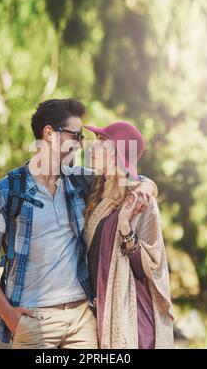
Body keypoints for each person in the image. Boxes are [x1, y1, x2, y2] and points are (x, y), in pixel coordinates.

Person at [0, 99, 158, 349]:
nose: (81, 144)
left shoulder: (80, 181)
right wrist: (9, 315)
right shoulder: (4, 193)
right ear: (50, 134)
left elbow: (123, 174)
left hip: (82, 320)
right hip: (34, 322)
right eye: (76, 136)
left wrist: (147, 184)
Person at [84, 121, 174, 349]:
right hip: (96, 313)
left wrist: (125, 225)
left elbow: (151, 268)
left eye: (101, 144)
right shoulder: (94, 192)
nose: (92, 149)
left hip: (132, 321)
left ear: (117, 153)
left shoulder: (142, 203)